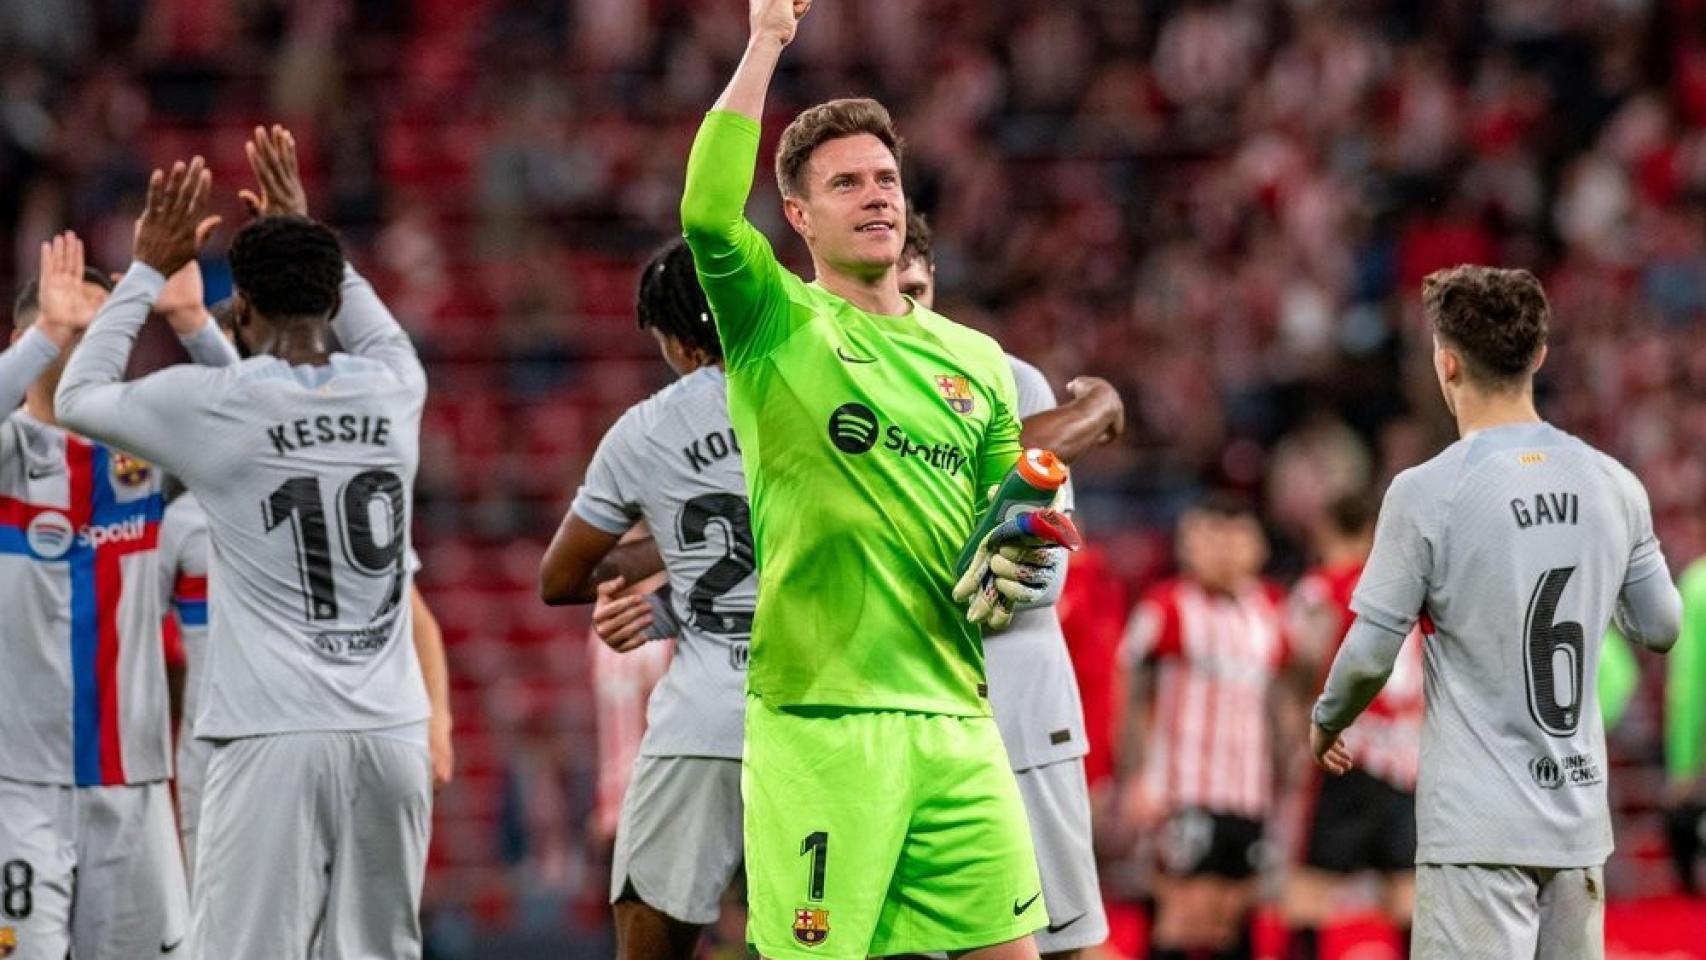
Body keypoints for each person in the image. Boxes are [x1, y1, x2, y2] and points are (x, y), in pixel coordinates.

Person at [678, 1, 1073, 955]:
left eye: (887, 178)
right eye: (846, 183)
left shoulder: (978, 361)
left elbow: (1013, 519)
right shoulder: (778, 323)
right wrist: (768, 39)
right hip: (821, 721)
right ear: (800, 217)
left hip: (955, 717)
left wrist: (1027, 556)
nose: (876, 196)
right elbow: (702, 211)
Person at [55, 127, 434, 959]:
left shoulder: (218, 401)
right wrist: (309, 231)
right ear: (334, 300)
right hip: (394, 737)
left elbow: (79, 395)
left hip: (273, 738)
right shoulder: (398, 385)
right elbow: (367, 320)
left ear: (239, 311)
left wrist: (149, 265)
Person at [1311, 265, 1683, 959]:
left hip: (1477, 833)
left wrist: (1326, 719)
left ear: (1445, 363)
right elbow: (1661, 626)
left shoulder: (1427, 493)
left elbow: (1367, 656)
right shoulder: (1613, 482)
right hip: (1577, 826)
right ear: (1539, 356)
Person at [156, 302, 454, 886]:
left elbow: (414, 617)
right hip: (218, 763)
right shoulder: (181, 520)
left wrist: (438, 723)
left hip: (317, 739)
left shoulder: (318, 490)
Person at [0, 232, 236, 959]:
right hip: (18, 790)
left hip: (135, 790)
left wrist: (194, 322)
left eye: (108, 327)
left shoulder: (152, 464)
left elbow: (251, 426)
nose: (89, 339)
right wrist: (47, 336)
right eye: (74, 322)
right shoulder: (6, 456)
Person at [894, 210, 1118, 959]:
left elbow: (1039, 573)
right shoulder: (845, 398)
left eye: (915, 287)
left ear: (934, 283)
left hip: (1019, 705)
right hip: (906, 716)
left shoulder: (1003, 379)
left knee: (1064, 941)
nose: (902, 305)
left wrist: (914, 581)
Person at [539, 239, 755, 960]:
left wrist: (672, 550)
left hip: (704, 719)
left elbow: (561, 578)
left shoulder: (647, 427)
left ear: (683, 344)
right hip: (825, 715)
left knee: (649, 936)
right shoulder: (820, 399)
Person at [1121, 494, 1289, 960]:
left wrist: (1288, 774)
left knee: (1232, 914)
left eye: (1236, 538)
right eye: (1209, 538)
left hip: (1247, 790)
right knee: (1182, 913)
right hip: (1184, 788)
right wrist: (1134, 777)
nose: (1223, 550)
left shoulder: (1269, 609)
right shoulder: (1168, 604)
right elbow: (1133, 692)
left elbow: (1281, 697)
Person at [1285, 492, 1423, 958]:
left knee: (1309, 892)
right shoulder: (1405, 589)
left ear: (1325, 530)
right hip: (1406, 758)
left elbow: (1305, 662)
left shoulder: (1320, 588)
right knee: (1406, 891)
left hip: (1345, 752)